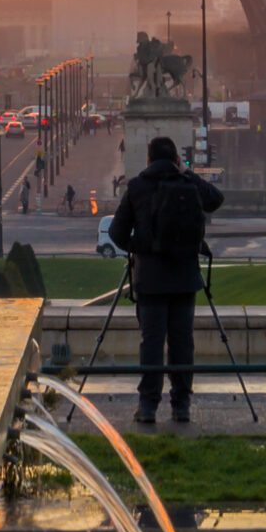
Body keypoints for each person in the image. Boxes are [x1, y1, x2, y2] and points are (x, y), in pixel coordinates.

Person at [108, 134, 224, 427]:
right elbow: (215, 200)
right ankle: (181, 404)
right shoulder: (188, 184)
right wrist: (187, 172)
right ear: (175, 159)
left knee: (151, 342)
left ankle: (148, 406)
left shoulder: (136, 187)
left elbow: (117, 234)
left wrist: (142, 247)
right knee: (182, 342)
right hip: (185, 277)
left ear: (148, 159)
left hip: (150, 278)